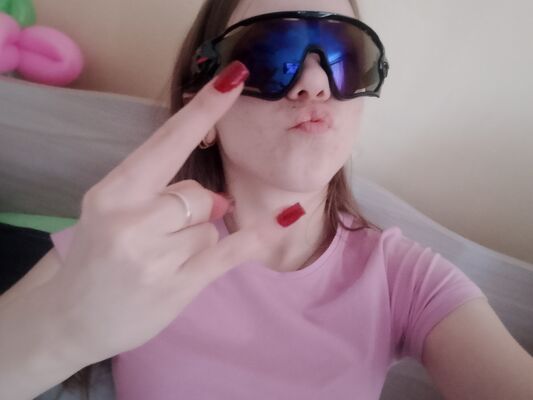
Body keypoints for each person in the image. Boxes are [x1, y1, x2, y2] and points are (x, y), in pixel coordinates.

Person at [1, 0, 532, 399]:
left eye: (345, 55)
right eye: (269, 54)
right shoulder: (129, 245)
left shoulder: (407, 280)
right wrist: (65, 334)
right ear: (203, 111)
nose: (314, 84)